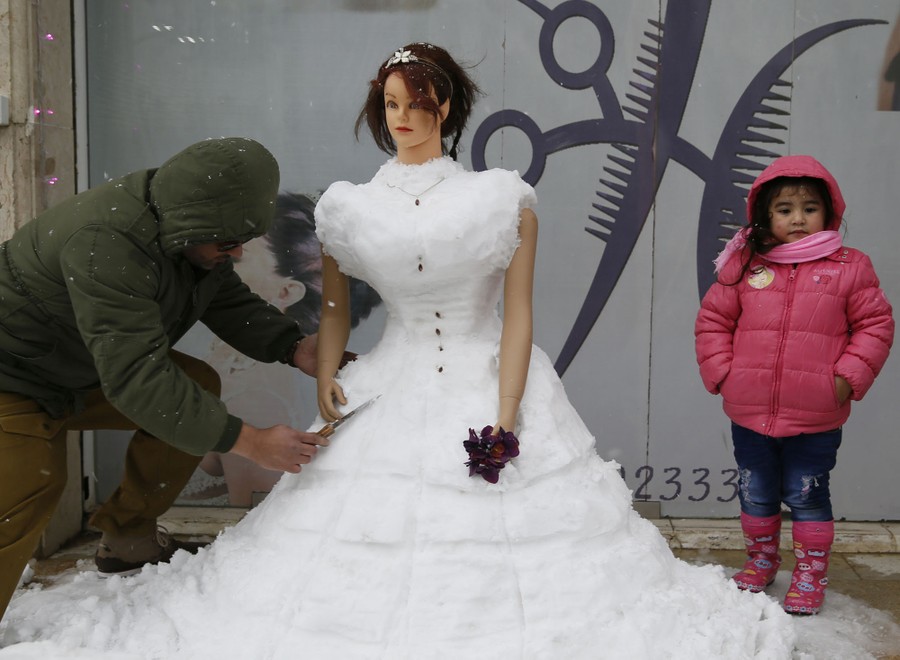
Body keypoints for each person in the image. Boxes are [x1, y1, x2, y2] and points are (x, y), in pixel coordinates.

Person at [0, 45, 795, 657]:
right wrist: (282, 412)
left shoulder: (501, 199)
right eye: (390, 103)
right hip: (26, 369)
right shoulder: (340, 210)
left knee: (525, 539)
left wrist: (494, 403)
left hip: (486, 378)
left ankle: (127, 530)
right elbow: (170, 364)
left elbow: (510, 316)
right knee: (32, 492)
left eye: (418, 101)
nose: (404, 116)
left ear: (448, 105)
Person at [0, 137, 330, 619]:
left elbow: (224, 300)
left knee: (194, 392)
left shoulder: (188, 232)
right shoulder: (106, 243)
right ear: (195, 222)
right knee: (26, 489)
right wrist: (252, 443)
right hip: (12, 374)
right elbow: (137, 378)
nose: (237, 251)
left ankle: (128, 539)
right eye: (228, 242)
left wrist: (292, 346)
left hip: (77, 366)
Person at [695, 155, 894, 615]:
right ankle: (761, 561)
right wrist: (724, 374)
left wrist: (844, 380)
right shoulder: (745, 265)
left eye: (810, 208)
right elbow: (713, 321)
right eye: (784, 209)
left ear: (829, 212)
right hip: (750, 410)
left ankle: (809, 574)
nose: (798, 218)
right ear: (765, 215)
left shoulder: (850, 266)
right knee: (756, 490)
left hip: (816, 414)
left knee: (807, 494)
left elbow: (876, 326)